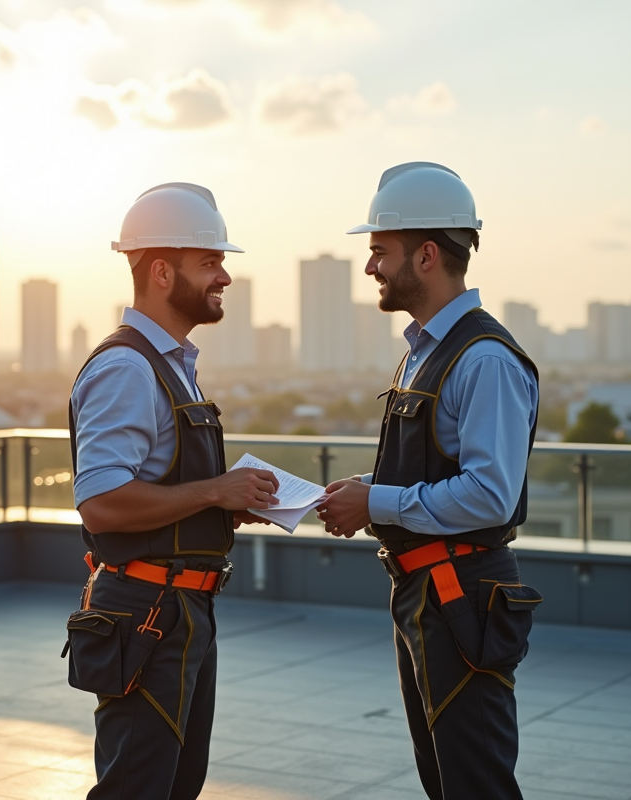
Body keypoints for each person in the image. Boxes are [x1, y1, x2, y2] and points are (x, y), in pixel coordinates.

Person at [316, 162, 543, 800]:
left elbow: (489, 494)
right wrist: (364, 490)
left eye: (378, 253)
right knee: (443, 778)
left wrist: (378, 500)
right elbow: (436, 464)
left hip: (461, 595)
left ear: (425, 255)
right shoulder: (426, 350)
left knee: (476, 782)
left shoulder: (485, 359)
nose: (370, 269)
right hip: (427, 592)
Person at [65, 182, 279, 800]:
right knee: (138, 786)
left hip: (180, 612)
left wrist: (227, 507)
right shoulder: (127, 368)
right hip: (146, 614)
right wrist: (215, 491)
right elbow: (102, 501)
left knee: (175, 784)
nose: (225, 277)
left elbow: (163, 493)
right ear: (161, 270)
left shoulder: (169, 364)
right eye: (209, 262)